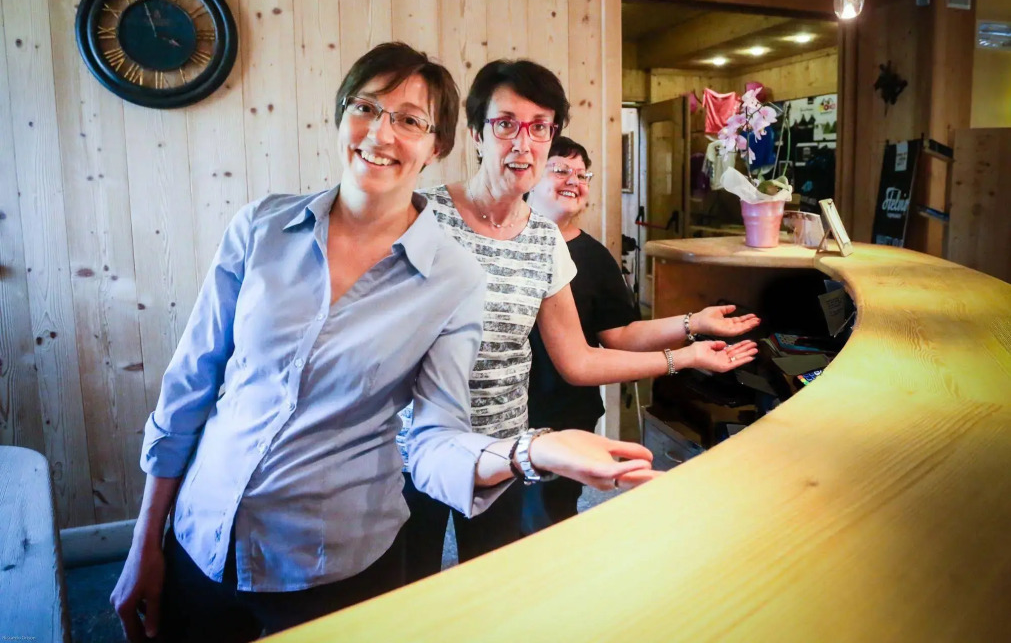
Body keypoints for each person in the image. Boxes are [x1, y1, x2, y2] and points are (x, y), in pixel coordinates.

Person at [110, 43, 658, 643]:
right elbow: (189, 389)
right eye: (366, 107)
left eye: (410, 120)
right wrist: (145, 541)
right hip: (199, 539)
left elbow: (435, 435)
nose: (381, 133)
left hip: (332, 560)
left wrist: (532, 451)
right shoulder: (260, 228)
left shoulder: (453, 277)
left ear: (435, 144)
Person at [399, 59, 759, 581]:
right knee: (403, 592)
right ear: (477, 133)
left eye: (539, 128)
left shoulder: (544, 239)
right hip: (413, 449)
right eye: (505, 125)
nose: (523, 144)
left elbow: (578, 359)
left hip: (504, 449)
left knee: (492, 588)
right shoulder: (421, 214)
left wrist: (686, 355)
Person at [522, 136, 761, 534]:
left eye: (583, 175)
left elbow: (621, 334)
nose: (574, 181)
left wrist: (695, 322)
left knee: (547, 526)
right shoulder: (503, 242)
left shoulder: (594, 257)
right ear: (530, 175)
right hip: (498, 415)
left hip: (564, 415)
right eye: (561, 169)